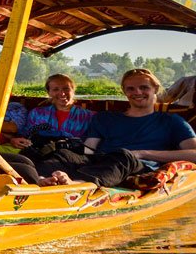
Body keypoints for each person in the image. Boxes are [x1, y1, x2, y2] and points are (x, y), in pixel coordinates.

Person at [37, 68, 196, 187]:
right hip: (101, 161)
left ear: (155, 89)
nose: (137, 92)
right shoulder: (105, 118)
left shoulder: (172, 121)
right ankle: (45, 180)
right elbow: (89, 150)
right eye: (130, 89)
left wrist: (143, 153)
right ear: (124, 92)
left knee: (123, 155)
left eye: (144, 87)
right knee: (64, 154)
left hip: (136, 165)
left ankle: (79, 185)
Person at [9, 73, 95, 161]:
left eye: (66, 88)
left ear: (73, 90)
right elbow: (24, 135)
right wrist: (15, 140)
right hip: (39, 155)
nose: (62, 93)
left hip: (71, 159)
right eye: (55, 89)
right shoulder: (37, 113)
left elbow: (93, 148)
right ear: (49, 93)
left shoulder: (89, 116)